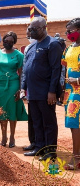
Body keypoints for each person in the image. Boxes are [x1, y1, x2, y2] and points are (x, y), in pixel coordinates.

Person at [22, 17, 62, 161]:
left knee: (48, 123)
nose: (31, 31)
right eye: (30, 29)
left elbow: (56, 69)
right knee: (37, 122)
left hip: (46, 93)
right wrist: (24, 89)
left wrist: (52, 91)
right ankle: (39, 147)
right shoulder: (32, 47)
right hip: (33, 93)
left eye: (34, 29)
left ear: (44, 27)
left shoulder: (53, 44)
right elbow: (27, 70)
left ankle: (50, 151)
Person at [0, 31, 28, 148]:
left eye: (11, 42)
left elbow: (22, 73)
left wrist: (21, 89)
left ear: (14, 42)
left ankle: (12, 136)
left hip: (13, 84)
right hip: (0, 84)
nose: (8, 43)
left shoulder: (19, 55)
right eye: (6, 41)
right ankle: (3, 137)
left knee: (12, 110)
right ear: (3, 41)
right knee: (1, 109)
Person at [62, 17, 80, 170]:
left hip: (79, 90)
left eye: (71, 30)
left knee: (76, 124)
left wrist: (78, 80)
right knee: (72, 124)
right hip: (70, 91)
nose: (68, 34)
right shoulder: (68, 49)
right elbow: (65, 68)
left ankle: (76, 158)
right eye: (67, 31)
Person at [22, 29, 36, 152]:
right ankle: (33, 143)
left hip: (43, 91)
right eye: (27, 35)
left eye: (30, 34)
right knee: (32, 118)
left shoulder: (49, 45)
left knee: (42, 120)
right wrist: (23, 88)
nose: (29, 36)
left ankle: (44, 146)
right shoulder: (28, 48)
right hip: (30, 90)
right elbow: (25, 70)